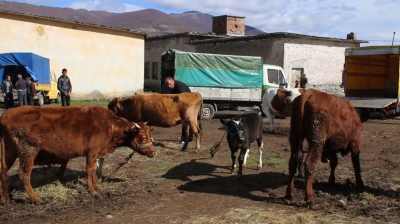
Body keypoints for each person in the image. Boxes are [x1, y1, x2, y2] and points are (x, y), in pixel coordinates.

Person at [164, 77, 192, 143]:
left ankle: (187, 138)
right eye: (167, 85)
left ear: (173, 81)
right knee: (184, 122)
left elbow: (182, 99)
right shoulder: (172, 88)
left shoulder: (180, 86)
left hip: (188, 104)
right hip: (183, 105)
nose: (169, 86)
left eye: (170, 84)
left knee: (187, 121)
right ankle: (186, 138)